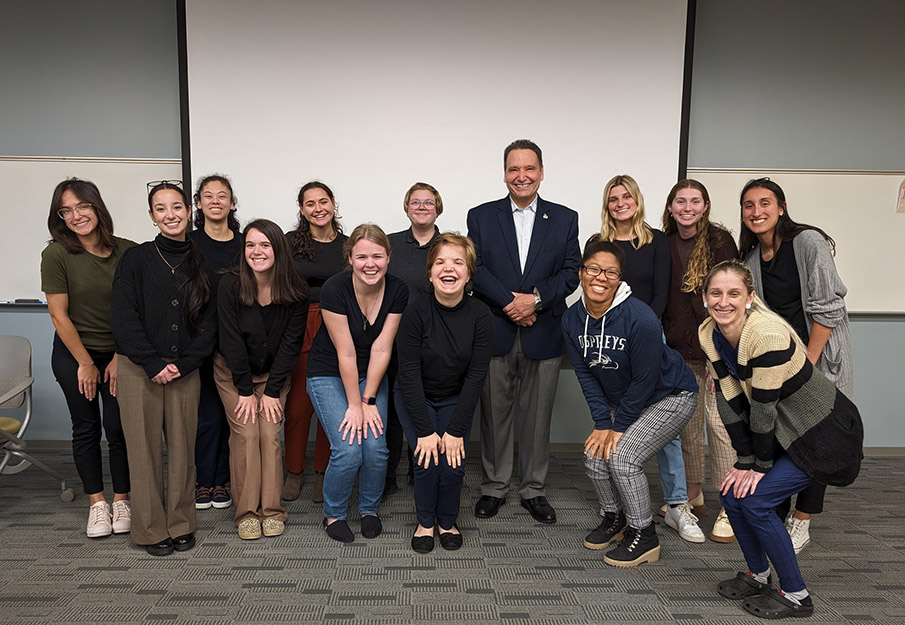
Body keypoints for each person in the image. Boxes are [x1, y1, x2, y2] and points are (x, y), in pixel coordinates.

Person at [699, 259, 862, 619]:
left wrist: (757, 465)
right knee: (731, 492)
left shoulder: (767, 334)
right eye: (716, 293)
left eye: (734, 293)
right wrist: (743, 460)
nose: (724, 301)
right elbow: (728, 397)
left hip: (824, 433)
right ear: (705, 298)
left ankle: (797, 593)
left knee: (756, 501)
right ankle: (758, 575)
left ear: (750, 298)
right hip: (784, 431)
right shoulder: (708, 332)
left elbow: (763, 407)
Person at [562, 238, 698, 567]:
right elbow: (585, 374)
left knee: (622, 458)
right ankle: (615, 517)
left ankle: (644, 534)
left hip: (671, 395)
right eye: (593, 269)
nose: (600, 277)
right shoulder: (570, 320)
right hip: (625, 398)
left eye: (610, 272)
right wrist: (602, 424)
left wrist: (619, 427)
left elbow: (646, 379)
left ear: (620, 278)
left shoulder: (640, 318)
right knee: (596, 456)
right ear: (581, 273)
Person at [466, 139, 581, 525]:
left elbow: (570, 272)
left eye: (529, 168)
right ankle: (495, 487)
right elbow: (476, 268)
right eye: (514, 169)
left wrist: (534, 301)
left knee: (537, 415)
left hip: (543, 330)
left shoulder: (565, 218)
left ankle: (533, 488)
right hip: (495, 331)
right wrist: (511, 304)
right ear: (504, 174)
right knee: (494, 413)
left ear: (542, 172)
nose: (522, 176)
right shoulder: (481, 216)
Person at [738, 177, 853, 554]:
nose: (757, 212)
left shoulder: (807, 243)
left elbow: (828, 306)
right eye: (749, 205)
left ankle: (802, 521)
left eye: (765, 203)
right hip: (781, 364)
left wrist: (808, 362)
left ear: (781, 208)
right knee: (786, 435)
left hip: (817, 360)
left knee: (818, 438)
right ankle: (777, 511)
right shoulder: (752, 258)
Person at [594, 174, 703, 543]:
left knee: (660, 420)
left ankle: (676, 506)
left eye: (627, 196)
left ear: (637, 200)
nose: (621, 202)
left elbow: (662, 294)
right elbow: (594, 290)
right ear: (607, 204)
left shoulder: (656, 240)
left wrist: (642, 327)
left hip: (645, 334)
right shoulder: (598, 243)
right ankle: (620, 504)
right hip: (607, 337)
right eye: (614, 198)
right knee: (615, 415)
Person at [112, 181, 216, 556]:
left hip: (185, 371)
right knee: (143, 452)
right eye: (161, 208)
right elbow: (123, 317)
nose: (170, 215)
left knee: (183, 451)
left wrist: (184, 363)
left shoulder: (201, 259)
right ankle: (150, 528)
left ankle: (181, 523)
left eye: (177, 207)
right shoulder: (135, 259)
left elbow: (209, 322)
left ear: (189, 211)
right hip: (139, 368)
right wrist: (153, 362)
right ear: (152, 215)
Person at [41, 178, 135, 539]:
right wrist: (86, 363)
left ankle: (121, 499)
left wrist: (118, 356)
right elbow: (58, 315)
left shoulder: (127, 251)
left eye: (82, 206)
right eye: (67, 210)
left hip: (118, 352)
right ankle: (97, 504)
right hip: (74, 354)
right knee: (86, 427)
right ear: (60, 217)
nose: (77, 215)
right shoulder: (56, 254)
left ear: (97, 206)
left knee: (117, 427)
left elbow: (135, 311)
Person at [306, 224, 408, 542]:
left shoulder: (398, 290)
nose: (370, 263)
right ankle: (333, 514)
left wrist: (368, 401)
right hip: (329, 373)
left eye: (377, 256)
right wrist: (354, 405)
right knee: (349, 450)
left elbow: (382, 348)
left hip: (373, 375)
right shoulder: (334, 289)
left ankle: (369, 509)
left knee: (376, 449)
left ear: (388, 258)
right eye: (362, 256)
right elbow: (346, 353)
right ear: (350, 258)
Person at [395, 233, 493, 553]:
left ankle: (447, 521)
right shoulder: (415, 313)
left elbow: (476, 377)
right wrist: (424, 431)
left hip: (455, 397)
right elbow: (408, 374)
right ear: (429, 273)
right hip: (415, 394)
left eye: (457, 262)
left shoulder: (481, 316)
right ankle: (425, 522)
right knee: (426, 460)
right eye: (440, 262)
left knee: (451, 464)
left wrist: (454, 430)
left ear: (469, 273)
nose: (448, 269)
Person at [214, 219, 308, 540]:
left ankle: (271, 510)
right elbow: (229, 341)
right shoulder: (230, 284)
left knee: (268, 434)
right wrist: (244, 391)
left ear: (277, 249)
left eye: (265, 245)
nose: (257, 251)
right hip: (233, 373)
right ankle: (246, 513)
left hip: (273, 376)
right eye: (250, 245)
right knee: (246, 433)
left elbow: (290, 345)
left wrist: (270, 392)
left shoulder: (295, 290)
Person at [660, 179, 739, 543]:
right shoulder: (664, 242)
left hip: (716, 349)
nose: (687, 207)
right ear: (671, 207)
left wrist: (719, 353)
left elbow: (727, 300)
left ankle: (731, 504)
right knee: (687, 426)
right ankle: (694, 494)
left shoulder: (720, 241)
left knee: (720, 426)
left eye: (695, 201)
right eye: (681, 201)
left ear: (705, 206)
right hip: (678, 350)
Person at [283, 181, 347, 503]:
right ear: (301, 209)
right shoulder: (288, 243)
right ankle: (294, 470)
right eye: (310, 203)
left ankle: (324, 470)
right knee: (298, 407)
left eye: (324, 201)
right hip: (299, 324)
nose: (318, 208)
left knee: (331, 405)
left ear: (334, 203)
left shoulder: (349, 245)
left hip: (339, 325)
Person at [384, 182, 443, 499]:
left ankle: (420, 468)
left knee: (425, 406)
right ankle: (389, 474)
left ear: (438, 207)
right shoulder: (391, 245)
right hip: (394, 341)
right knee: (394, 410)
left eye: (428, 202)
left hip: (436, 343)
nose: (422, 207)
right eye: (415, 202)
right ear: (407, 207)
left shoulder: (448, 245)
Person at [190, 174, 242, 511]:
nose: (215, 201)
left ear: (232, 203)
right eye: (208, 196)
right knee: (205, 415)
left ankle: (222, 480)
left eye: (222, 195)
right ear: (198, 204)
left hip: (234, 340)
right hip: (196, 340)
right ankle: (203, 481)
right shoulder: (187, 241)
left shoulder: (244, 243)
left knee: (230, 416)